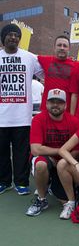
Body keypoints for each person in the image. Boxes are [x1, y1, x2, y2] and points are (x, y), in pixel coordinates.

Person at [0, 23, 43, 195]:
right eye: (9, 34)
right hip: (1, 117)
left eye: (16, 35)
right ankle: (4, 181)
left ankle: (21, 182)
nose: (13, 37)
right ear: (3, 39)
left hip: (22, 117)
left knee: (21, 153)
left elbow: (49, 74)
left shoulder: (30, 57)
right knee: (1, 153)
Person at [26, 89, 79, 218]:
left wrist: (63, 160)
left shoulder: (74, 121)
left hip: (64, 163)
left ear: (65, 105)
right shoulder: (38, 119)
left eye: (59, 102)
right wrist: (60, 152)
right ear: (46, 104)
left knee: (65, 200)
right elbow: (35, 149)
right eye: (52, 102)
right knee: (40, 165)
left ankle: (52, 184)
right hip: (47, 159)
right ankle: (41, 199)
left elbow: (78, 150)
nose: (55, 105)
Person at [38, 35, 79, 112]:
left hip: (65, 112)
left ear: (69, 49)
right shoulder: (45, 60)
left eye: (65, 46)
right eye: (59, 45)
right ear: (54, 47)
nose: (62, 48)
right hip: (47, 111)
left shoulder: (77, 65)